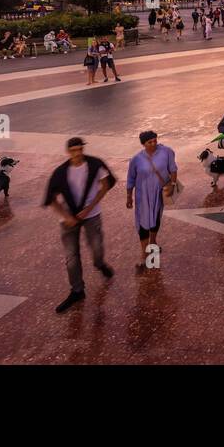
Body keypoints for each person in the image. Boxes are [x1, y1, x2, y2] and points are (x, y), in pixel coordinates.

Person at [44, 137, 116, 313]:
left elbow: (106, 184)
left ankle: (99, 264)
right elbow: (51, 199)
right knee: (71, 257)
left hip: (92, 214)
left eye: (80, 149)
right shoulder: (60, 172)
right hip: (68, 219)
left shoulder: (94, 164)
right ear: (68, 152)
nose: (78, 153)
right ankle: (77, 290)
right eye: (74, 150)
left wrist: (90, 207)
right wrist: (65, 215)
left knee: (97, 247)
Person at [126, 131, 177, 270]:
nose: (153, 144)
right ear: (143, 144)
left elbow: (173, 169)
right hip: (142, 196)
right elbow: (130, 179)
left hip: (159, 193)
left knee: (155, 220)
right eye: (150, 142)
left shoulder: (167, 152)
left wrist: (172, 185)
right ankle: (144, 255)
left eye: (155, 140)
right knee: (143, 224)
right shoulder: (136, 159)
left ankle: (153, 242)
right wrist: (128, 196)